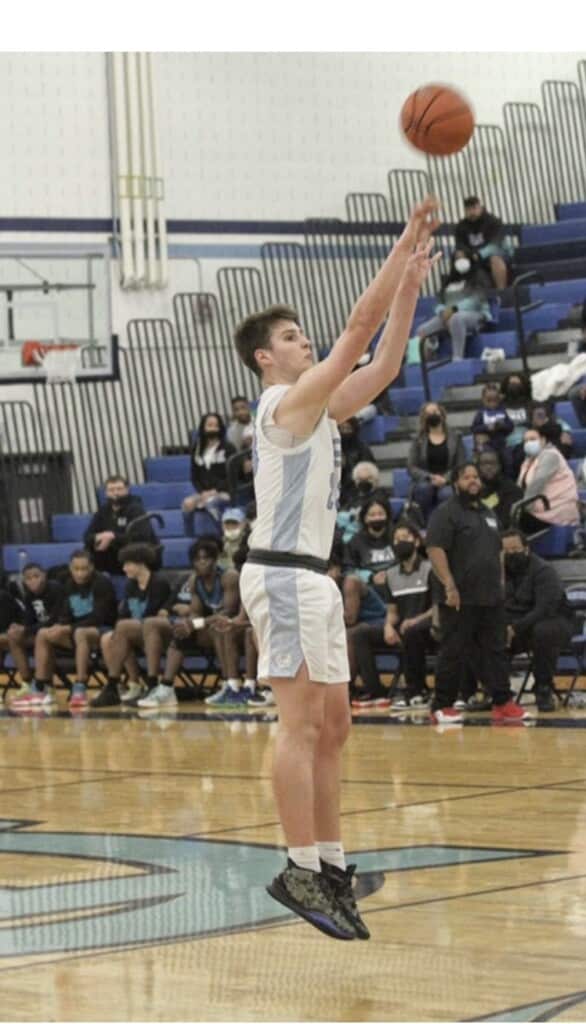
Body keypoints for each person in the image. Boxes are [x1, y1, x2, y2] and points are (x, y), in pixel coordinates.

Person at [235, 195, 440, 941]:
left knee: (334, 728)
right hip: (282, 574)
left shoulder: (317, 410)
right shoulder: (281, 405)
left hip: (313, 578)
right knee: (298, 726)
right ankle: (299, 867)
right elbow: (358, 333)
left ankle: (330, 865)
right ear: (266, 357)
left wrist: (413, 280)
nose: (303, 341)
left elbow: (383, 364)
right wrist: (402, 241)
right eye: (291, 337)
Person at [426, 462, 528, 725]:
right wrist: (449, 584)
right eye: (467, 477)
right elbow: (435, 549)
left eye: (476, 477)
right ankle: (442, 705)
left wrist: (501, 582)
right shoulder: (446, 513)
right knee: (453, 651)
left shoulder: (489, 513)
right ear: (456, 483)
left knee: (495, 651)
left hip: (491, 597)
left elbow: (499, 550)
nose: (473, 481)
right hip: (460, 597)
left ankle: (502, 702)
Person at [140, 537, 241, 709]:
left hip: (236, 628)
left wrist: (195, 623)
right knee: (181, 629)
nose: (202, 562)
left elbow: (228, 612)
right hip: (209, 628)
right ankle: (166, 687)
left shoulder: (228, 577)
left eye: (206, 558)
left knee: (219, 627)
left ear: (215, 559)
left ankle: (228, 685)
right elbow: (195, 612)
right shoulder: (194, 581)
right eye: (197, 559)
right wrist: (188, 623)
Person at [11, 550, 118, 710]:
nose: (80, 573)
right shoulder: (68, 585)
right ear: (70, 567)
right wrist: (59, 625)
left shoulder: (102, 583)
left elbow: (99, 617)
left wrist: (68, 627)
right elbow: (66, 614)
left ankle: (80, 686)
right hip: (75, 634)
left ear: (92, 567)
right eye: (76, 569)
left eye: (84, 568)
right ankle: (40, 687)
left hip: (101, 631)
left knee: (80, 632)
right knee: (44, 633)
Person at [348, 521, 434, 710]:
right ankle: (376, 692)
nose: (400, 542)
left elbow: (437, 608)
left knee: (413, 631)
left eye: (405, 538)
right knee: (360, 634)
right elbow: (393, 611)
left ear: (417, 542)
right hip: (402, 627)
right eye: (396, 539)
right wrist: (388, 626)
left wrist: (415, 620)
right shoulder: (391, 574)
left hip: (428, 628)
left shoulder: (430, 569)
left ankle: (417, 691)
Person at [502, 528, 574, 712]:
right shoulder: (500, 573)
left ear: (526, 549)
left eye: (515, 549)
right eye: (507, 550)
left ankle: (543, 687)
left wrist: (515, 628)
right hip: (521, 624)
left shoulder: (544, 571)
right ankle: (498, 693)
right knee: (487, 633)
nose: (511, 554)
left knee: (543, 631)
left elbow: (544, 609)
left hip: (554, 621)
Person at [91, 543, 171, 709]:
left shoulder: (159, 583)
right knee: (107, 638)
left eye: (128, 564)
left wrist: (124, 625)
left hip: (156, 635)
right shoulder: (130, 585)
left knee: (123, 629)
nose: (124, 568)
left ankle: (116, 684)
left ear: (140, 563)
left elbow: (153, 615)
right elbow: (124, 614)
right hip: (134, 632)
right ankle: (134, 684)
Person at [412, 253, 492, 361]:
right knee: (421, 330)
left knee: (456, 318)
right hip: (446, 314)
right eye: (457, 258)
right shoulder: (449, 281)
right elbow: (439, 301)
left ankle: (457, 357)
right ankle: (427, 362)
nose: (460, 261)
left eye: (463, 257)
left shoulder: (478, 277)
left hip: (474, 314)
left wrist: (453, 310)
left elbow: (476, 300)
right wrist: (441, 311)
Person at [0, 565, 64, 700]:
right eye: (28, 578)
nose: (33, 581)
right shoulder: (29, 596)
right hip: (40, 632)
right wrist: (19, 627)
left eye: (36, 576)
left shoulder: (55, 589)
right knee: (13, 636)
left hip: (60, 632)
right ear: (24, 581)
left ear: (44, 575)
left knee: (43, 636)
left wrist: (27, 629)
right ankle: (27, 682)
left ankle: (44, 685)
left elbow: (56, 618)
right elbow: (28, 620)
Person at [84, 475, 156, 576]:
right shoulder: (103, 511)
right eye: (111, 490)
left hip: (132, 555)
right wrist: (99, 537)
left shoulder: (136, 509)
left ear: (127, 490)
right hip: (109, 556)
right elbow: (87, 536)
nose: (115, 493)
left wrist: (112, 537)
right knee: (85, 553)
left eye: (119, 489)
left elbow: (141, 537)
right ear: (106, 493)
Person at [407, 402, 465, 520]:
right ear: (423, 418)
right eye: (428, 413)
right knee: (424, 489)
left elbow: (461, 464)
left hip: (448, 479)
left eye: (435, 411)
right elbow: (411, 466)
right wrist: (430, 477)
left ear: (442, 414)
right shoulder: (417, 439)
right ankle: (423, 524)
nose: (432, 414)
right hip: (426, 480)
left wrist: (446, 479)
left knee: (446, 494)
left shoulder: (456, 437)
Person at [517, 423, 580, 532]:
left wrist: (521, 508)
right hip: (538, 509)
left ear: (543, 440)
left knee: (514, 523)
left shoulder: (550, 455)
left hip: (556, 510)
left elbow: (537, 483)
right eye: (525, 441)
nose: (528, 443)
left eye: (532, 439)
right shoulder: (528, 460)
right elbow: (519, 485)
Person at [182, 412, 236, 523]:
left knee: (211, 503)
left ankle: (222, 536)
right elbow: (194, 476)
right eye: (210, 425)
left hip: (224, 492)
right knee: (186, 504)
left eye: (216, 426)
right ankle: (191, 538)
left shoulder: (228, 448)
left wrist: (215, 491)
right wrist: (202, 492)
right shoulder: (196, 449)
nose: (213, 429)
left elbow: (233, 475)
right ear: (203, 427)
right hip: (204, 493)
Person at [455, 196, 508, 290]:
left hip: (496, 255)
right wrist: (469, 255)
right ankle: (464, 290)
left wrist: (480, 254)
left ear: (480, 207)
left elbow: (496, 243)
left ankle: (501, 292)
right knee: (459, 255)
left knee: (495, 258)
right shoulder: (461, 226)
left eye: (474, 208)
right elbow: (460, 245)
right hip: (474, 256)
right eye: (468, 209)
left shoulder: (493, 221)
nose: (472, 212)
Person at [344, 498, 395, 590]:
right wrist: (371, 577)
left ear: (387, 516)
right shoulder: (355, 541)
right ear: (365, 518)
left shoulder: (396, 536)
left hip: (396, 583)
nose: (377, 518)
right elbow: (348, 569)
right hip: (369, 588)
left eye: (381, 514)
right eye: (372, 515)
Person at [477, 449, 523, 529]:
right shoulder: (475, 489)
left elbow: (503, 523)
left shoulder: (512, 490)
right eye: (484, 464)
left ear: (500, 466)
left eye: (492, 463)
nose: (488, 467)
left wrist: (477, 523)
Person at [338, 418, 375, 504]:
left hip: (357, 487)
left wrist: (348, 466)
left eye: (348, 428)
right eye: (342, 428)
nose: (345, 432)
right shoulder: (333, 449)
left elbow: (369, 470)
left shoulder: (362, 448)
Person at [471, 384, 514, 456]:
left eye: (495, 400)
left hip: (501, 444)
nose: (492, 403)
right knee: (487, 455)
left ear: (499, 399)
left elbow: (511, 426)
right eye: (489, 400)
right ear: (483, 399)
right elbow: (474, 428)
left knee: (508, 456)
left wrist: (502, 426)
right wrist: (486, 427)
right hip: (486, 443)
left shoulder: (502, 411)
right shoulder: (481, 413)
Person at [218, 507, 248, 571]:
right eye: (227, 524)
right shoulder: (219, 544)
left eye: (234, 524)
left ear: (243, 524)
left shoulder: (249, 542)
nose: (231, 527)